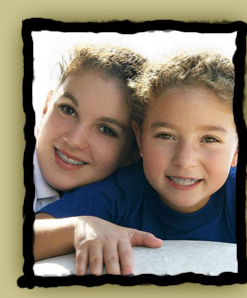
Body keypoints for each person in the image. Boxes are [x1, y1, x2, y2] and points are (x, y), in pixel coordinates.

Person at [37, 51, 238, 275]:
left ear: (238, 150)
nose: (184, 160)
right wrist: (78, 228)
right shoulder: (120, 192)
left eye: (210, 139)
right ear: (139, 138)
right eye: (165, 135)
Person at [33, 44, 163, 275]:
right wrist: (76, 228)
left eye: (105, 129)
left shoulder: (123, 196)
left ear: (133, 153)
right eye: (68, 110)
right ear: (45, 106)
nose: (74, 140)